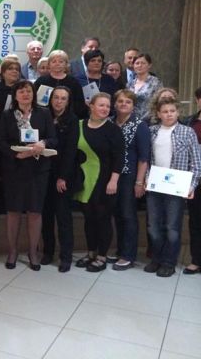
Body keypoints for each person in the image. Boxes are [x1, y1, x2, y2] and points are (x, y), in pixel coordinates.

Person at [0, 80, 56, 270]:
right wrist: (16, 154)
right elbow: (1, 142)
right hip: (14, 168)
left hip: (38, 169)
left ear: (33, 94)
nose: (25, 94)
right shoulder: (7, 115)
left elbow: (53, 138)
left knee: (35, 211)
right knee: (13, 211)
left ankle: (33, 251)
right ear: (15, 96)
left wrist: (43, 143)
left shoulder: (44, 113)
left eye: (28, 91)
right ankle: (12, 251)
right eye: (21, 91)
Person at [144, 97, 201, 277]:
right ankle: (157, 258)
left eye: (172, 111)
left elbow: (196, 163)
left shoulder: (187, 132)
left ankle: (169, 262)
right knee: (153, 226)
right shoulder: (152, 132)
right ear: (158, 114)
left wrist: (192, 186)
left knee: (172, 227)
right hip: (155, 186)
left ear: (177, 112)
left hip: (176, 187)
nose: (169, 114)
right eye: (165, 111)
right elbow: (146, 159)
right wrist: (145, 179)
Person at [74, 93, 123, 273]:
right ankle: (91, 253)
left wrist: (114, 180)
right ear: (91, 106)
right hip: (84, 180)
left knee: (103, 219)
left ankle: (102, 256)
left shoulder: (113, 130)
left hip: (105, 181)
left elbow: (119, 157)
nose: (105, 109)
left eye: (108, 106)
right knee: (89, 219)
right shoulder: (79, 125)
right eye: (101, 105)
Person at [109, 89, 150, 271]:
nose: (124, 104)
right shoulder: (110, 122)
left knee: (128, 214)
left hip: (129, 176)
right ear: (115, 104)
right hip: (112, 176)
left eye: (128, 102)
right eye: (120, 101)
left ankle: (128, 255)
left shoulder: (140, 126)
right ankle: (120, 250)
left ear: (133, 106)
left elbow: (144, 157)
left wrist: (139, 182)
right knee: (117, 214)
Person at [41, 86, 78, 272]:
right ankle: (48, 252)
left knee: (63, 217)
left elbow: (71, 151)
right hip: (43, 172)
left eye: (63, 98)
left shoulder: (72, 120)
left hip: (63, 174)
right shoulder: (43, 115)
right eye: (56, 97)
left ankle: (66, 257)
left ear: (68, 101)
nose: (59, 101)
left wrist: (63, 177)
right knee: (46, 216)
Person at [34, 50, 88, 118]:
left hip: (68, 118)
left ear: (66, 64)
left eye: (61, 61)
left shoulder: (74, 82)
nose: (57, 64)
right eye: (54, 61)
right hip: (44, 118)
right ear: (49, 64)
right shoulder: (41, 81)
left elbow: (79, 104)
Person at [183, 86, 201, 274]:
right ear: (197, 100)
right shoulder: (190, 122)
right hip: (195, 178)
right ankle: (196, 260)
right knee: (195, 220)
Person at [128, 53, 162, 119]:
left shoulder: (155, 82)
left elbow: (160, 102)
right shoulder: (130, 83)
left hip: (149, 120)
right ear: (133, 66)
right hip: (132, 119)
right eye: (137, 63)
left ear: (149, 65)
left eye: (143, 63)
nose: (140, 65)